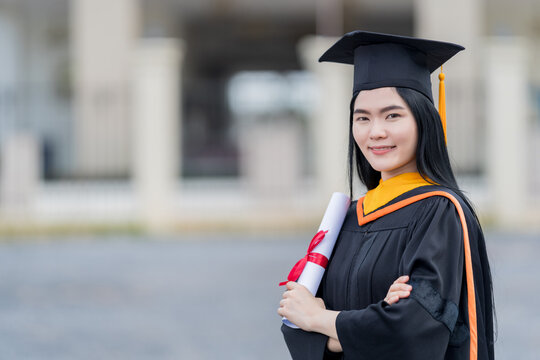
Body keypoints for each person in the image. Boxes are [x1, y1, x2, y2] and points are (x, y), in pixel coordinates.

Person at [277, 31, 494, 360]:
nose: (375, 131)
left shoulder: (438, 212)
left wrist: (321, 319)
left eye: (392, 115)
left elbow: (414, 332)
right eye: (362, 117)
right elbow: (294, 320)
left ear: (423, 121)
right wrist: (372, 321)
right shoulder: (346, 216)